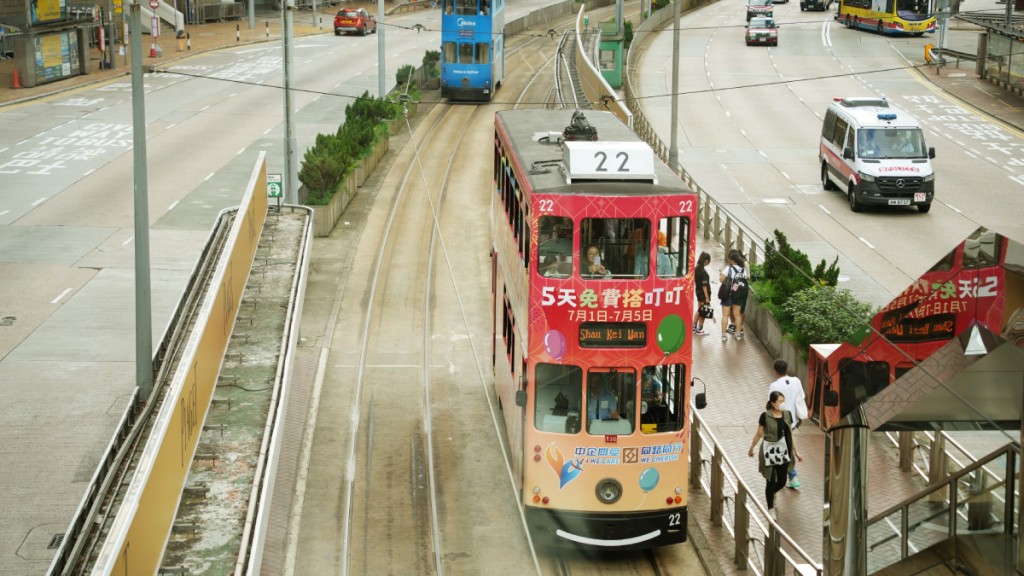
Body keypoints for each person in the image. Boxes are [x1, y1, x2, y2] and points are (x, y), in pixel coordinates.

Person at [747, 391, 803, 520]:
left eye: (783, 401)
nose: (782, 404)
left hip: (783, 453)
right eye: (780, 401)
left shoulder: (788, 415)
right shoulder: (765, 416)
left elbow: (791, 434)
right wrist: (751, 448)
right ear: (773, 403)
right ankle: (770, 507)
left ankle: (770, 495)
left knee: (782, 481)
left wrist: (796, 451)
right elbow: (758, 434)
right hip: (769, 453)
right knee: (771, 480)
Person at [767, 359, 808, 488]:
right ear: (787, 368)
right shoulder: (796, 381)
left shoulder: (774, 386)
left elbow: (771, 404)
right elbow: (801, 398)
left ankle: (791, 475)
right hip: (793, 420)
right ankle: (788, 475)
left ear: (775, 371)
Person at [719, 250, 748, 342]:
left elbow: (721, 279)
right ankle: (738, 334)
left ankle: (724, 335)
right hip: (738, 295)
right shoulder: (743, 270)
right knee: (737, 315)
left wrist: (725, 277)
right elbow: (746, 279)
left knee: (725, 315)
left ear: (732, 260)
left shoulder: (729, 269)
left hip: (728, 295)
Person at [693, 251, 712, 335]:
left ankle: (694, 327)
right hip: (703, 294)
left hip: (698, 291)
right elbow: (705, 286)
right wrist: (707, 298)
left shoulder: (696, 268)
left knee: (699, 310)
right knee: (703, 311)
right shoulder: (703, 272)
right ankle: (700, 328)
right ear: (706, 260)